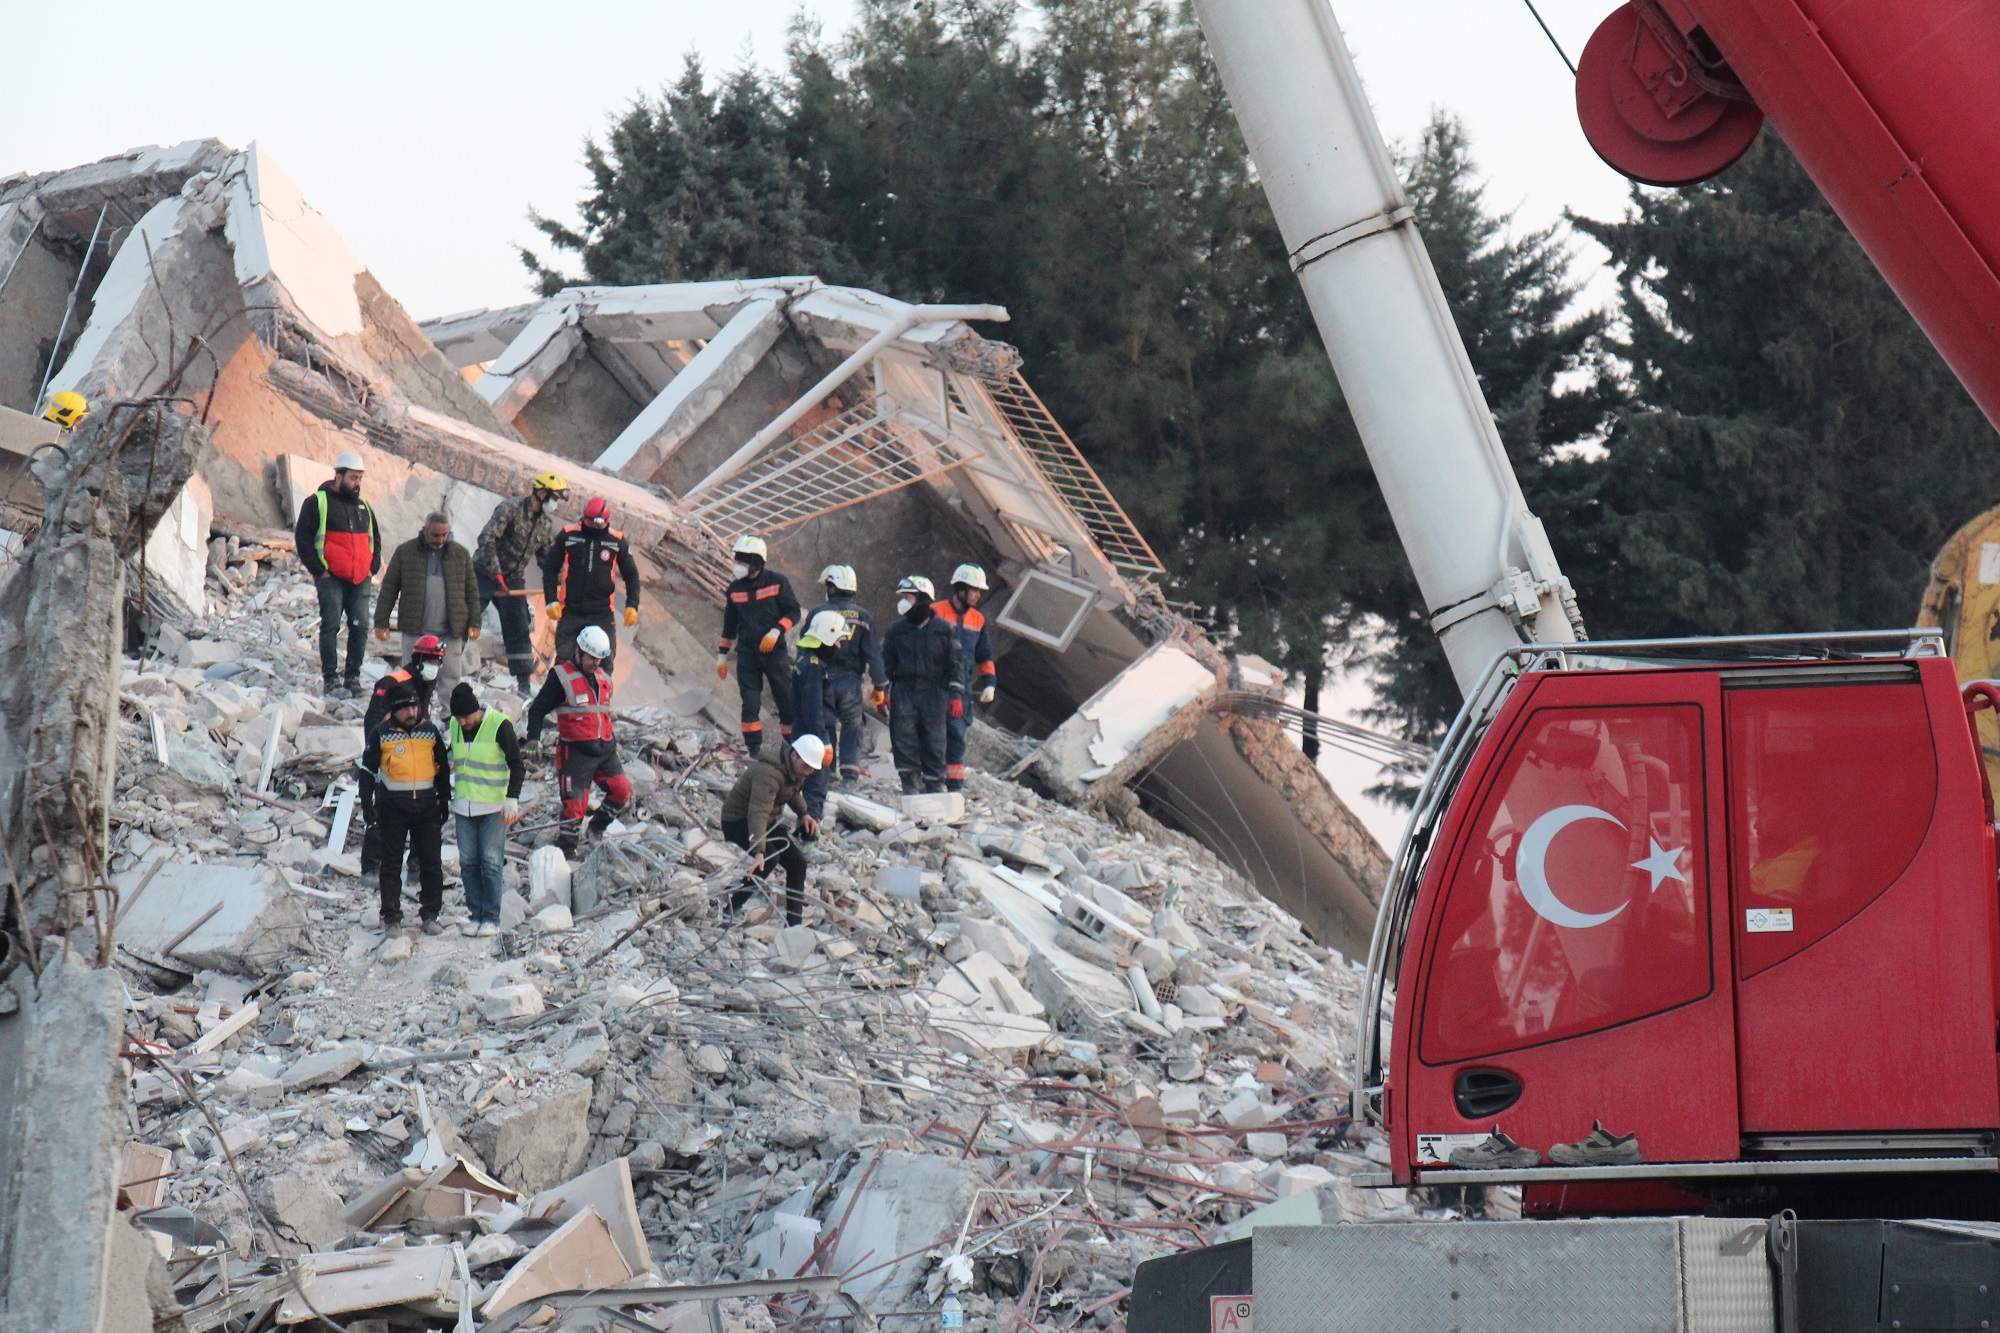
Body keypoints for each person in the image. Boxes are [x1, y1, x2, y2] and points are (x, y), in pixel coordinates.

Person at [524, 624, 634, 857]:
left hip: (605, 750)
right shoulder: (561, 678)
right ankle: (567, 852)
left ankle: (596, 828)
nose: (595, 663)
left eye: (599, 659)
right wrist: (534, 738)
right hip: (575, 754)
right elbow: (537, 710)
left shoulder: (604, 678)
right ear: (579, 651)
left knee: (622, 792)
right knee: (574, 808)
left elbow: (602, 713)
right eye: (591, 658)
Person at [361, 682, 450, 936]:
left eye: (415, 707)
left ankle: (431, 914)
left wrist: (443, 800)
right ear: (394, 711)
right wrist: (368, 807)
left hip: (426, 808)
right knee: (391, 864)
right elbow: (367, 773)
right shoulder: (381, 734)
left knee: (431, 863)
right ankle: (392, 917)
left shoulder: (430, 732)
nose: (412, 713)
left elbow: (442, 768)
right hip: (392, 809)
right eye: (406, 709)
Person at [357, 634, 446, 875]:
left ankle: (417, 867)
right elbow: (373, 721)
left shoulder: (426, 685)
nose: (434, 667)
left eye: (438, 662)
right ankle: (371, 868)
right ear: (418, 660)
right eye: (431, 661)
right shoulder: (393, 683)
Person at [295, 450, 381, 696]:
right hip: (330, 578)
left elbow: (375, 539)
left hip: (359, 579)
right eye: (353, 478)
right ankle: (331, 679)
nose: (357, 484)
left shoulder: (364, 506)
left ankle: (352, 679)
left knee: (360, 626)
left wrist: (371, 568)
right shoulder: (317, 503)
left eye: (360, 478)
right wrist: (318, 571)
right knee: (330, 626)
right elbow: (303, 539)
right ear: (339, 475)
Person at [719, 734, 828, 927]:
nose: (808, 772)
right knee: (768, 859)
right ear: (794, 755)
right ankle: (731, 907)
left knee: (797, 863)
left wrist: (804, 814)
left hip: (766, 822)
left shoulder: (793, 770)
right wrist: (759, 850)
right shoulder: (768, 774)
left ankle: (794, 923)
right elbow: (757, 812)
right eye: (806, 766)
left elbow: (792, 792)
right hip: (738, 821)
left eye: (812, 768)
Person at [475, 472, 568, 692]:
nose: (555, 504)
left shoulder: (545, 524)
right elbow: (486, 539)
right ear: (541, 492)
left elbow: (546, 559)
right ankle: (444, 661)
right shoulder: (510, 509)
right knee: (466, 618)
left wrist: (561, 580)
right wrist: (496, 574)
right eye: (553, 498)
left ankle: (523, 684)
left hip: (513, 579)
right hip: (484, 573)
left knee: (518, 626)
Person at [374, 512, 479, 703]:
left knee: (451, 677)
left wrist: (475, 622)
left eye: (444, 535)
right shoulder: (405, 552)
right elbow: (389, 588)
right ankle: (411, 713)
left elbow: (471, 591)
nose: (440, 540)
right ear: (425, 531)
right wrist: (381, 622)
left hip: (450, 631)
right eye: (435, 535)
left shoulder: (460, 554)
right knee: (411, 676)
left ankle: (450, 719)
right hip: (416, 630)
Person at [447, 683, 524, 937]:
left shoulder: (499, 725)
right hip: (464, 807)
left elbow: (517, 764)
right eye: (458, 717)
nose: (462, 722)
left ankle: (491, 918)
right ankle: (475, 915)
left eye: (466, 716)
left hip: (493, 807)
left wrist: (512, 797)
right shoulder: (456, 725)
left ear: (476, 710)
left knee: (491, 862)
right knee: (468, 863)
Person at [715, 535, 800, 757]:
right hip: (747, 654)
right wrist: (722, 654)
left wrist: (777, 630)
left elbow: (793, 612)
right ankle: (754, 750)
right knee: (750, 701)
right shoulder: (734, 590)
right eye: (737, 559)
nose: (738, 564)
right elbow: (730, 624)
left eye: (743, 560)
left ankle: (793, 746)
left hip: (774, 653)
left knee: (785, 698)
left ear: (756, 561)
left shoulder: (777, 582)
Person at [881, 576, 964, 794]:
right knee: (903, 736)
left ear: (923, 599)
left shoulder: (945, 630)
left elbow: (956, 664)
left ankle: (934, 783)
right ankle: (910, 782)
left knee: (935, 738)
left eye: (908, 597)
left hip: (935, 692)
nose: (903, 602)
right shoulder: (896, 630)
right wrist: (883, 689)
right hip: (904, 690)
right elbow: (886, 663)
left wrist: (955, 694)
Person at [807, 564, 887, 781]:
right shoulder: (864, 617)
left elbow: (805, 648)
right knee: (853, 725)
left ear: (832, 587)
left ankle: (827, 770)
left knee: (826, 724)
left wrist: (802, 675)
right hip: (851, 683)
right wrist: (880, 685)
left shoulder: (817, 613)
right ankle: (850, 772)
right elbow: (873, 654)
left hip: (822, 679)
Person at [541, 496, 640, 672]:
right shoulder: (569, 535)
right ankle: (555, 698)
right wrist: (551, 600)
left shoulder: (616, 541)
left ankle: (599, 699)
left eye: (592, 521)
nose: (587, 524)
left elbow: (631, 575)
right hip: (571, 611)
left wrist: (632, 605)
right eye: (585, 519)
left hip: (601, 614)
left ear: (602, 521)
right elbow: (550, 568)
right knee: (564, 662)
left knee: (605, 663)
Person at [932, 563, 998, 792]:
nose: (978, 595)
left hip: (962, 687)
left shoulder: (978, 620)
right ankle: (931, 779)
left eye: (980, 591)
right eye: (975, 589)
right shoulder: (936, 611)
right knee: (932, 732)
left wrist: (990, 682)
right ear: (960, 589)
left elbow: (985, 654)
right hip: (935, 685)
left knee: (957, 735)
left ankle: (954, 786)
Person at [791, 610, 853, 823]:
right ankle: (810, 825)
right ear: (827, 637)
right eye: (837, 641)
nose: (838, 647)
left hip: (805, 729)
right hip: (814, 733)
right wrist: (824, 740)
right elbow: (813, 706)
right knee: (815, 782)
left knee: (804, 779)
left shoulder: (806, 661)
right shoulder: (814, 667)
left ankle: (806, 821)